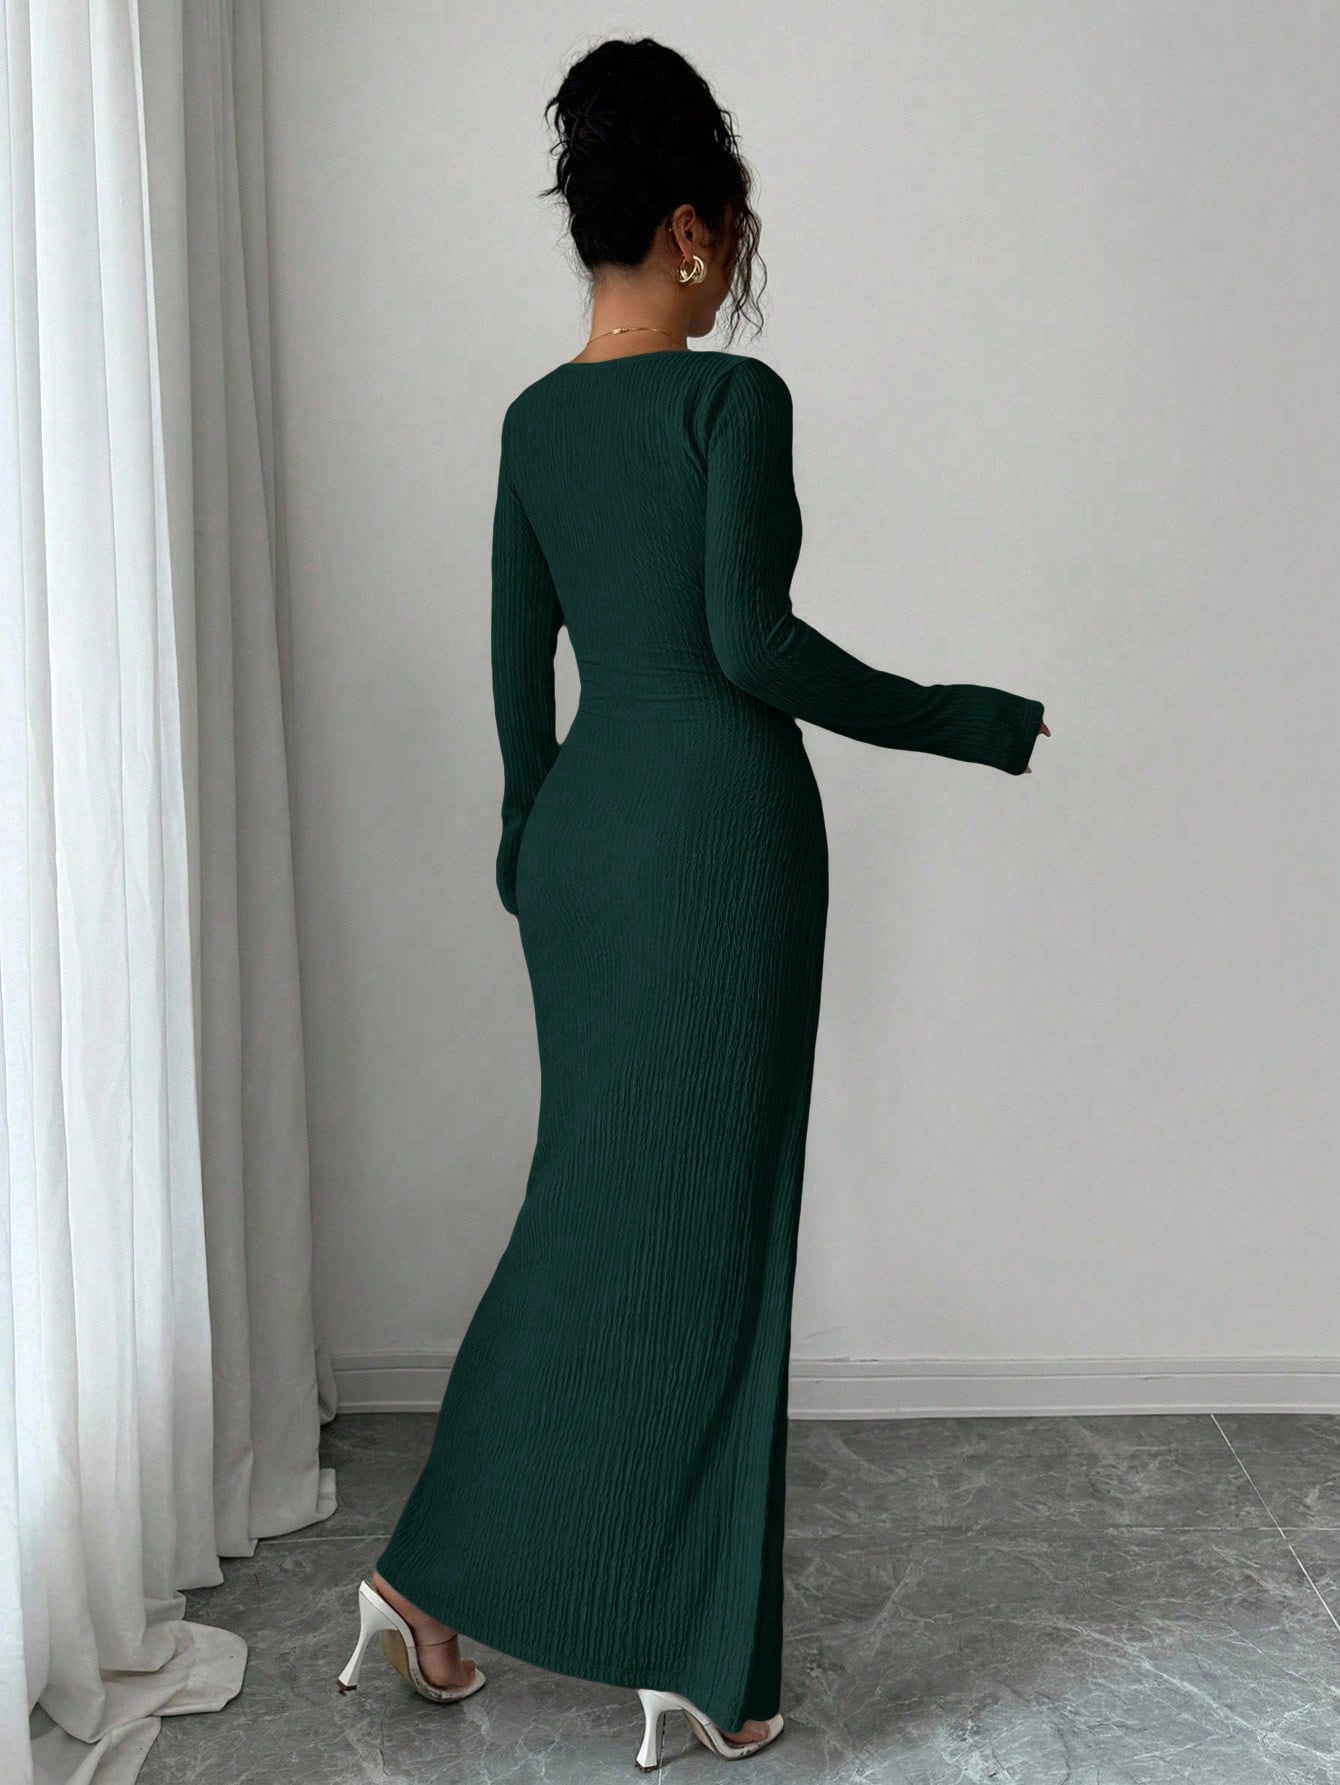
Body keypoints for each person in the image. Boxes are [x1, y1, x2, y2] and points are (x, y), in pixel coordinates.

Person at [337, 35, 1048, 1769]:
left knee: (586, 1211)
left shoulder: (533, 423)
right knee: (714, 1242)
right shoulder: (732, 403)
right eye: (730, 234)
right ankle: (695, 1651)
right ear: (688, 229)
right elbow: (752, 642)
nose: (732, 269)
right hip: (719, 840)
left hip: (586, 843)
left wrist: (528, 841)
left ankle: (428, 1577)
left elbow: (519, 662)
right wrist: (961, 717)